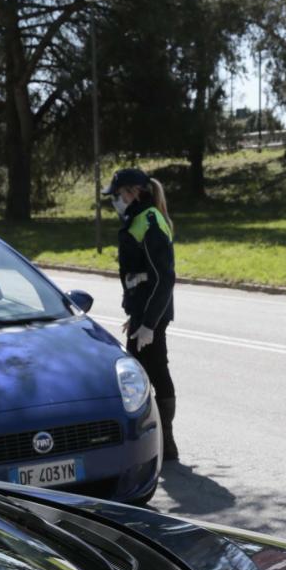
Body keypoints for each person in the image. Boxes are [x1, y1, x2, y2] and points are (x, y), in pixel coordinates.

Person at [105, 167, 179, 462]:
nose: (115, 201)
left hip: (153, 314)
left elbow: (163, 278)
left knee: (151, 373)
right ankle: (163, 444)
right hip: (144, 312)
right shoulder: (137, 219)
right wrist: (135, 314)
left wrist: (148, 323)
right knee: (151, 371)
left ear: (133, 192)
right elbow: (138, 275)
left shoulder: (149, 220)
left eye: (117, 195)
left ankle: (164, 443)